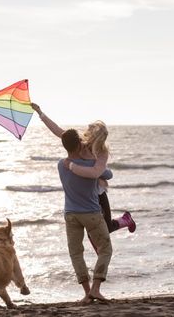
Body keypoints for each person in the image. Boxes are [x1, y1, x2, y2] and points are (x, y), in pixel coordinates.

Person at [31, 103, 136, 235]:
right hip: (84, 192)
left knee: (107, 227)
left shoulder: (102, 152)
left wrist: (73, 166)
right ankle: (99, 244)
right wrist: (40, 113)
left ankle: (126, 219)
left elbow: (96, 173)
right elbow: (58, 131)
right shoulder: (81, 143)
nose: (88, 137)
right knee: (92, 226)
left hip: (98, 192)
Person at [58, 128, 113, 303]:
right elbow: (108, 174)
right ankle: (96, 289)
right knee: (105, 249)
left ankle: (87, 292)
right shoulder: (91, 166)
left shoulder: (61, 164)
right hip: (91, 214)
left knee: (76, 253)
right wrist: (94, 158)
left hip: (70, 214)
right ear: (79, 143)